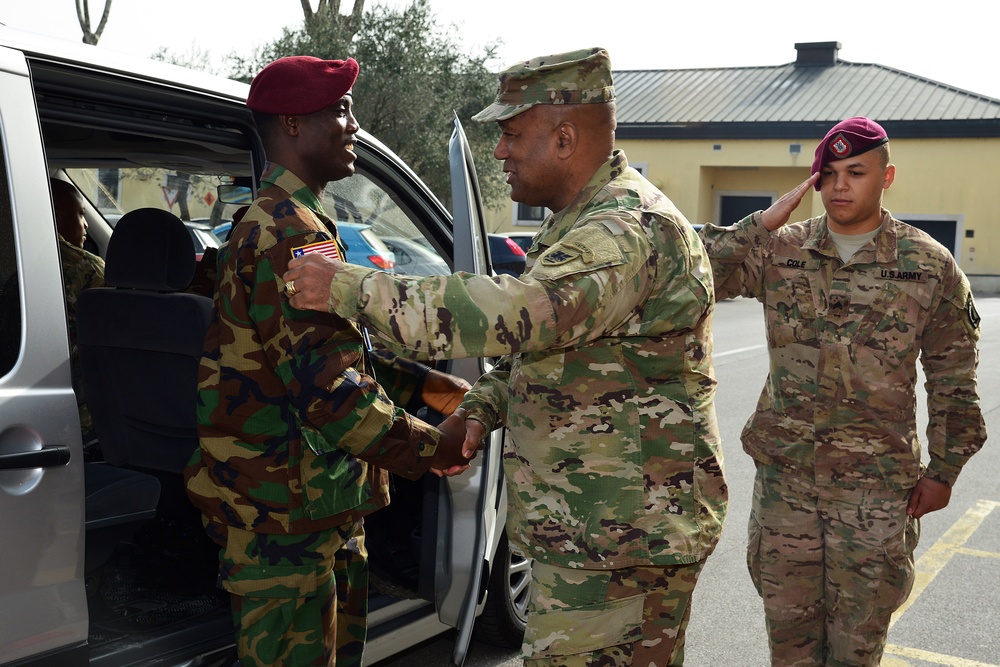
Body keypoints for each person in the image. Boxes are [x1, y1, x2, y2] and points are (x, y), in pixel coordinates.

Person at [282, 47, 728, 666]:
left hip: (622, 544)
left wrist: (349, 286)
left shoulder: (624, 231)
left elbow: (511, 313)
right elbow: (546, 352)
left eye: (513, 135)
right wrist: (483, 408)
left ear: (566, 138)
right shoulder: (580, 223)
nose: (500, 152)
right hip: (595, 531)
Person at [182, 55, 469, 667]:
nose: (354, 125)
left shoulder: (281, 221)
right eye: (339, 110)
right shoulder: (288, 232)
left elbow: (318, 350)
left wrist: (422, 382)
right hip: (287, 520)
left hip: (300, 509)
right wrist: (433, 448)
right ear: (291, 124)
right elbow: (331, 392)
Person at [698, 117, 987, 665]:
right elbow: (692, 274)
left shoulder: (927, 265)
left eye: (856, 172)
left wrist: (945, 470)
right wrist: (760, 223)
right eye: (828, 174)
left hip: (875, 492)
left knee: (858, 646)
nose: (840, 186)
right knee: (789, 644)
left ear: (887, 176)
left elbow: (953, 378)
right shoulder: (782, 250)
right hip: (787, 487)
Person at [51, 177, 105, 441]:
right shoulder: (86, 267)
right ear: (54, 213)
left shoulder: (12, 257)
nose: (85, 225)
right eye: (81, 214)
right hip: (77, 415)